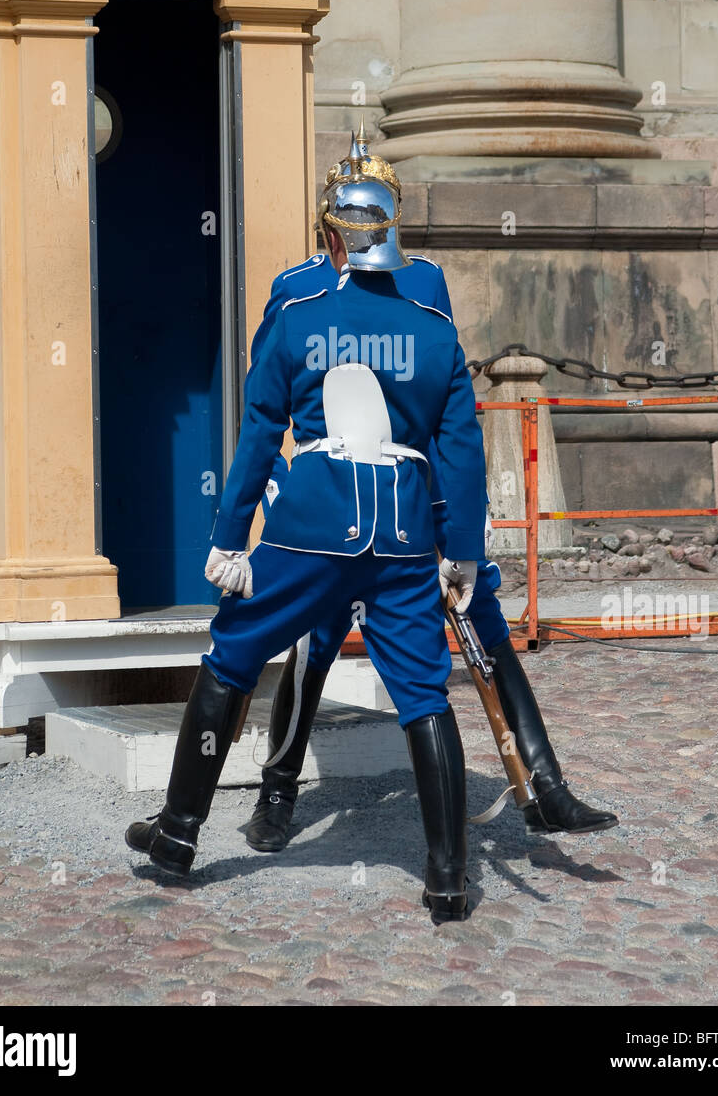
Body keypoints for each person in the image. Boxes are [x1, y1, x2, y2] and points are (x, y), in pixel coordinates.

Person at [126, 134, 488, 923]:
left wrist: (228, 536)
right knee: (424, 697)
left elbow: (260, 429)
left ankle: (180, 833)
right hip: (399, 535)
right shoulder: (433, 320)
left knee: (231, 657)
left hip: (311, 524)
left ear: (330, 234)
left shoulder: (295, 310)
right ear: (393, 229)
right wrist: (462, 549)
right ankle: (449, 874)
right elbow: (459, 444)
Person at [245, 128, 617, 853]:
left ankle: (545, 786)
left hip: (418, 496)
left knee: (484, 623)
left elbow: (446, 408)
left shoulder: (426, 282)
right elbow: (268, 401)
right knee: (314, 642)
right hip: (331, 494)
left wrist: (462, 533)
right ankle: (279, 789)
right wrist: (280, 490)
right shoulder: (295, 288)